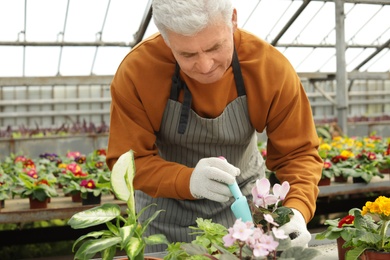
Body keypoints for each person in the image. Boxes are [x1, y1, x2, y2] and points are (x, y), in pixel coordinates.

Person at [106, 0, 323, 253]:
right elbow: (127, 163)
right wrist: (187, 180)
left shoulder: (268, 67)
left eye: (215, 47)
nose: (206, 66)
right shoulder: (138, 71)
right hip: (164, 216)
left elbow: (298, 153)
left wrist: (296, 209)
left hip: (244, 208)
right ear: (166, 39)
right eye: (187, 54)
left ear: (233, 19)